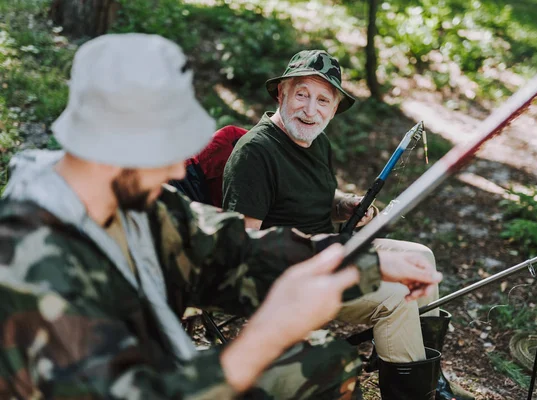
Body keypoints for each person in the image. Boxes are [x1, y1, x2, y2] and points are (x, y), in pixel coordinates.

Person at [0, 34, 442, 399]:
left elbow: (235, 245)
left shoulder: (136, 204)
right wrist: (263, 337)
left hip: (170, 362)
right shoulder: (38, 267)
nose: (180, 170)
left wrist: (364, 265)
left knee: (325, 363)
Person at [223, 49, 473, 400]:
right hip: (292, 278)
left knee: (420, 259)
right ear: (281, 93)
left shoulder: (316, 142)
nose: (311, 110)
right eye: (301, 94)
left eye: (323, 100)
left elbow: (310, 196)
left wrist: (342, 204)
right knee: (398, 296)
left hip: (331, 252)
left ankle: (428, 377)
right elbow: (244, 245)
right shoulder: (255, 153)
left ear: (335, 107)